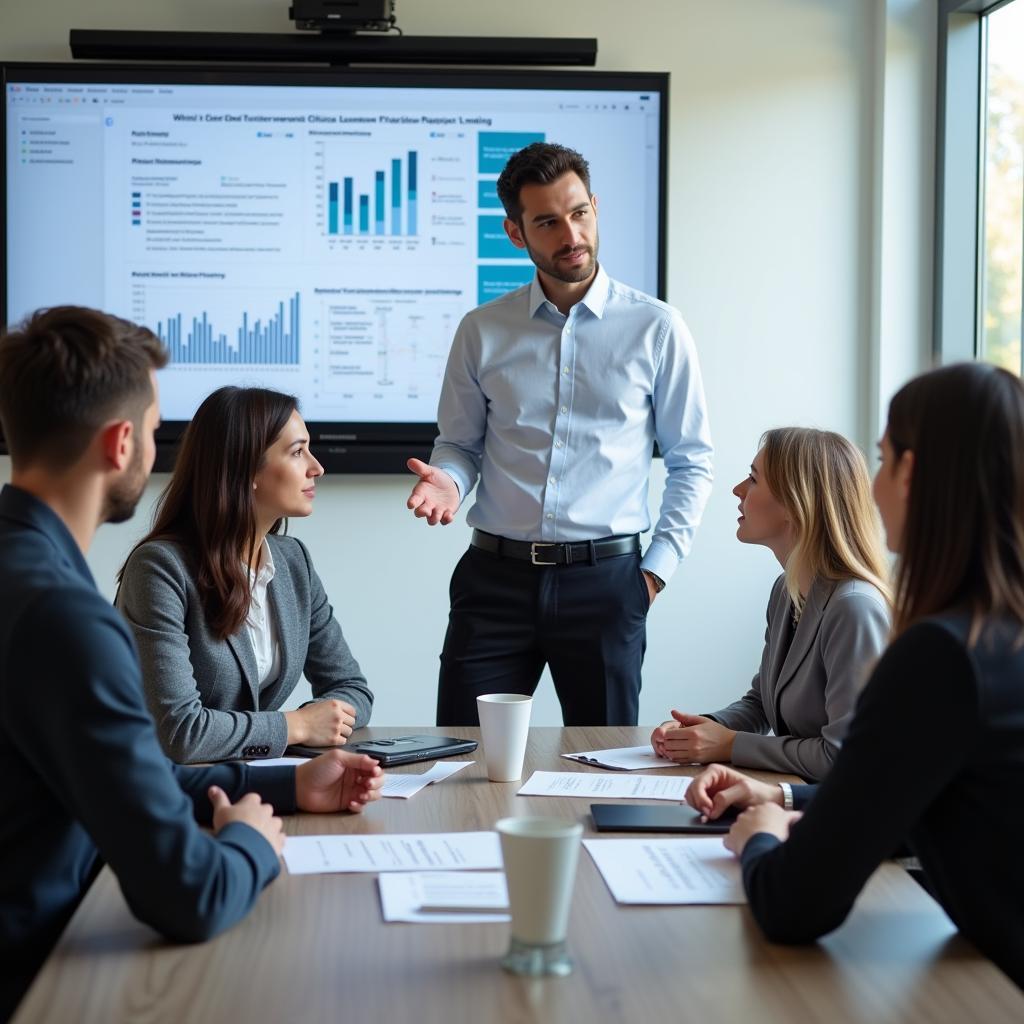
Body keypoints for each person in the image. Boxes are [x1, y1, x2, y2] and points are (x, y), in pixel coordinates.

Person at [0, 308, 383, 1022]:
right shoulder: (65, 616)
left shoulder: (29, 577)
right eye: (152, 431)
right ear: (120, 444)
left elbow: (129, 772)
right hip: (43, 972)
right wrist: (249, 841)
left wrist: (291, 786)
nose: (156, 447)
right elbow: (188, 894)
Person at [685, 363, 1024, 990]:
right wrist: (784, 800)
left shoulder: (941, 656)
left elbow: (794, 906)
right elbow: (912, 793)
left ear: (912, 473)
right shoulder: (998, 636)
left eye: (882, 458)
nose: (870, 487)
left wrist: (760, 839)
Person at [405, 141, 714, 727]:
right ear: (517, 234)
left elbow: (690, 459)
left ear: (594, 206)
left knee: (603, 766)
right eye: (547, 221)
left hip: (607, 584)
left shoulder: (657, 328)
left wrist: (655, 573)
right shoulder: (481, 331)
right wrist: (448, 479)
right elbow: (460, 444)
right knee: (464, 759)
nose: (570, 234)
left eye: (579, 213)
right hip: (494, 581)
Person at [117, 386, 373, 764]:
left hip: (249, 780)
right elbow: (181, 733)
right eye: (297, 452)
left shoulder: (293, 562)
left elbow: (351, 687)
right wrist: (296, 725)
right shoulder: (159, 569)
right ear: (245, 468)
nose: (316, 468)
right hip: (158, 791)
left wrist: (327, 720)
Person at [651, 428, 890, 780]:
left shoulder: (854, 608)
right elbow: (763, 702)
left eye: (752, 479)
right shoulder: (786, 591)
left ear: (795, 504)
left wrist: (730, 744)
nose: (737, 490)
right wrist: (701, 730)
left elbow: (845, 756)